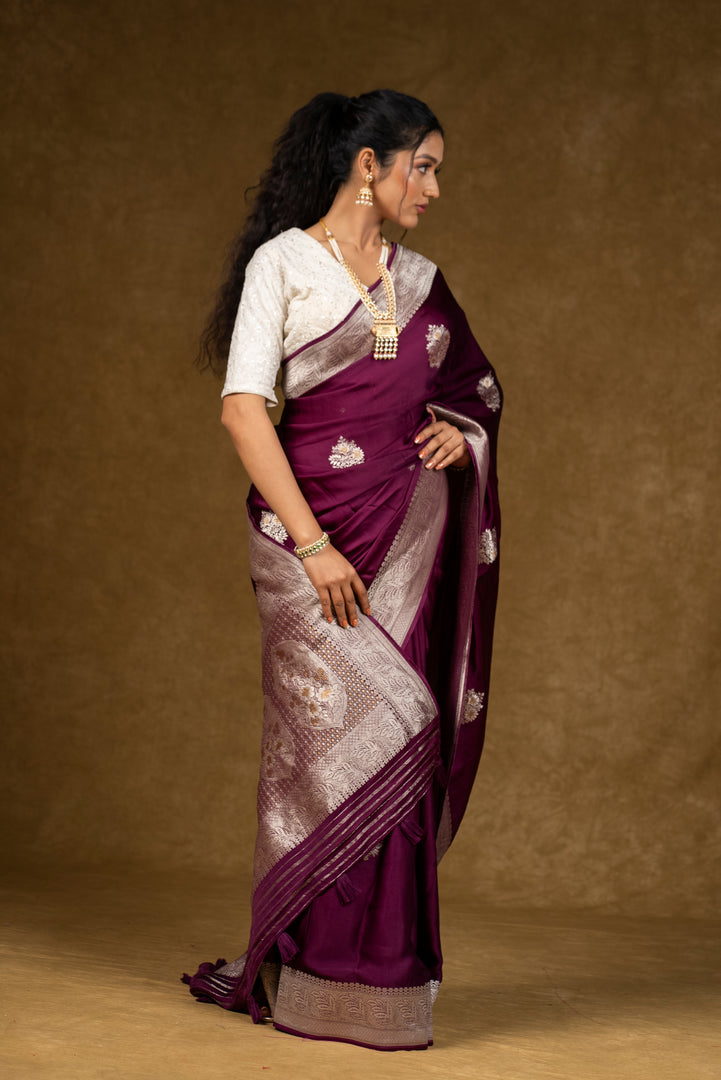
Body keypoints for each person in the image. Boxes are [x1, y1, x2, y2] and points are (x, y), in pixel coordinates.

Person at [183, 89, 502, 1052]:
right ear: (369, 164)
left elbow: (472, 391)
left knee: (402, 736)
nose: (435, 187)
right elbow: (245, 411)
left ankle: (382, 983)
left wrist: (456, 437)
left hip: (406, 538)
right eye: (424, 165)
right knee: (325, 746)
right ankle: (314, 969)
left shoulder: (424, 279)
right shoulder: (282, 264)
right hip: (307, 541)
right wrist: (314, 546)